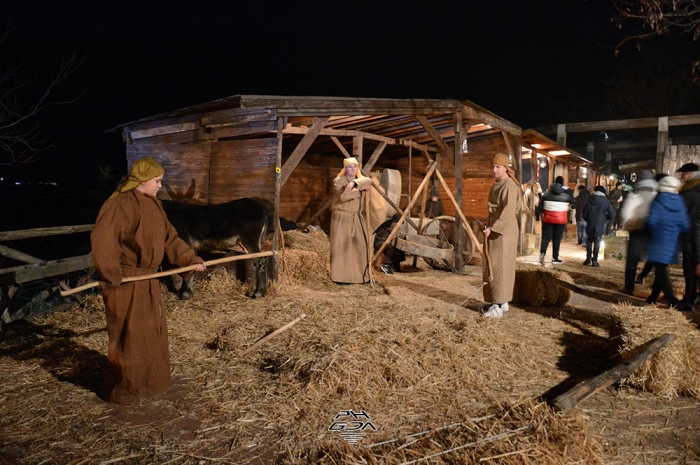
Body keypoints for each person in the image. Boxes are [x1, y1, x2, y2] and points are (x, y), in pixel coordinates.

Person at [91, 156, 206, 404]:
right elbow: (104, 241)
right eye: (157, 181)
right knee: (130, 336)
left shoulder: (155, 205)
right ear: (142, 181)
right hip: (126, 281)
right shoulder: (120, 204)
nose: (159, 186)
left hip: (149, 280)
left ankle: (152, 384)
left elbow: (169, 239)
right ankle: (127, 389)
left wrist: (189, 259)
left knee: (152, 333)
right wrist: (112, 277)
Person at [482, 153, 521, 318]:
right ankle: (501, 301)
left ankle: (497, 305)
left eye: (497, 167)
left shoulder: (509, 186)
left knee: (500, 267)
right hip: (497, 227)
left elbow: (509, 211)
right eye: (493, 167)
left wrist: (494, 228)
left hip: (504, 230)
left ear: (505, 167)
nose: (494, 170)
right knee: (495, 265)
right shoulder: (498, 184)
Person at [644, 175, 690, 309]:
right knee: (661, 269)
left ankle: (673, 300)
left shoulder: (658, 201)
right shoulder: (680, 201)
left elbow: (652, 221)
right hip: (673, 241)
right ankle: (652, 298)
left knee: (660, 271)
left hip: (658, 239)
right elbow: (685, 224)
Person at [329, 157, 375, 284]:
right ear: (345, 168)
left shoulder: (359, 180)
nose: (352, 169)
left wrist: (354, 184)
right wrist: (359, 189)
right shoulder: (338, 181)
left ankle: (361, 277)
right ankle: (340, 278)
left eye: (355, 167)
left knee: (361, 246)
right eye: (349, 167)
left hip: (356, 217)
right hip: (342, 218)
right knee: (342, 248)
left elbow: (369, 180)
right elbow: (344, 197)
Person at [618, 169, 658, 295]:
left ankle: (629, 287)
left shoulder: (634, 195)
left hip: (636, 229)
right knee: (654, 257)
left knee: (632, 259)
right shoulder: (657, 194)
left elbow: (626, 213)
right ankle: (644, 276)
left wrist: (625, 225)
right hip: (653, 229)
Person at [677, 163, 700, 310]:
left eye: (683, 174)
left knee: (691, 269)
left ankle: (689, 300)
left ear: (690, 175)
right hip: (694, 234)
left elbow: (690, 218)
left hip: (692, 235)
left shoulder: (690, 192)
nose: (681, 177)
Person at [536, 177, 574, 265]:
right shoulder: (566, 195)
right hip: (561, 220)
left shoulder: (546, 194)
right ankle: (555, 258)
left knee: (546, 238)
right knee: (557, 239)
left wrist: (538, 216)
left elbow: (540, 207)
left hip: (548, 219)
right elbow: (574, 204)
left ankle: (542, 254)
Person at [581, 186, 615, 267]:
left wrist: (588, 219)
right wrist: (604, 219)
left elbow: (584, 213)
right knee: (597, 242)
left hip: (590, 223)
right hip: (600, 224)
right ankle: (595, 261)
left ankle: (588, 258)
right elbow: (612, 214)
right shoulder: (605, 201)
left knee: (589, 240)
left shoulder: (589, 199)